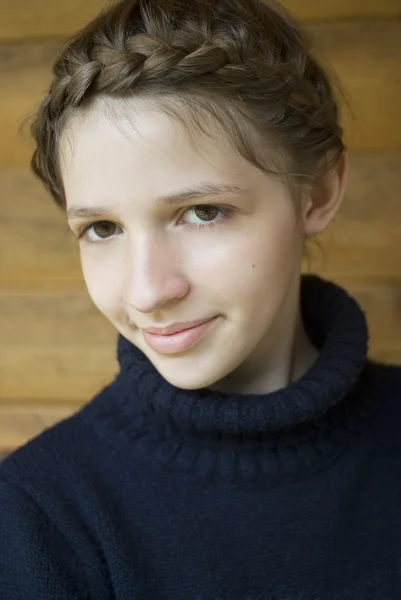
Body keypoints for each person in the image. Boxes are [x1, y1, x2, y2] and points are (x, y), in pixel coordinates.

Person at [1, 0, 400, 597]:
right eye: (101, 229)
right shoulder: (37, 515)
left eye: (202, 212)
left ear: (317, 192)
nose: (147, 291)